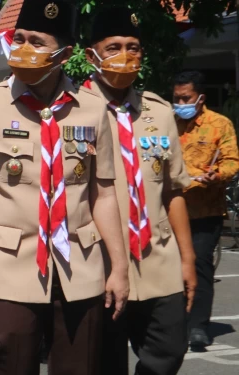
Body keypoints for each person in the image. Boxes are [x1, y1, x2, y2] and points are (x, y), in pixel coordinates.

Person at [0, 1, 129, 374]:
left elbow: (105, 194)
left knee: (80, 367)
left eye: (36, 41)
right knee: (11, 364)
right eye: (19, 39)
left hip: (80, 266)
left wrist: (119, 268)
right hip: (11, 266)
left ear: (64, 53)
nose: (23, 49)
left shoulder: (92, 109)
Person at [84, 8, 196, 374]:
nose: (125, 56)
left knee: (169, 352)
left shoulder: (159, 112)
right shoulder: (72, 114)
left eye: (133, 47)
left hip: (158, 259)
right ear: (91, 55)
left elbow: (172, 190)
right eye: (113, 46)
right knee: (104, 363)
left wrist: (188, 258)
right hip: (97, 264)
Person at [173, 70, 239, 348]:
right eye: (175, 98)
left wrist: (218, 175)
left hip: (205, 210)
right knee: (170, 268)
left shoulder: (219, 124)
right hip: (170, 209)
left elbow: (232, 160)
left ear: (200, 98)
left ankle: (198, 325)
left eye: (185, 98)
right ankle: (173, 322)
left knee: (200, 264)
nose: (180, 104)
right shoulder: (166, 122)